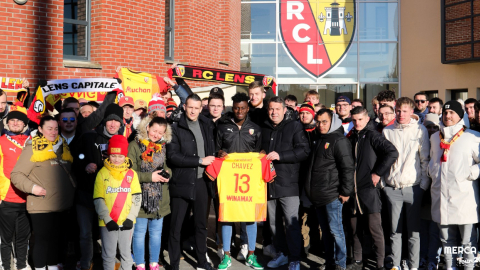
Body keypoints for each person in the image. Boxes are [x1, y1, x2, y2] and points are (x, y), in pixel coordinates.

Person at [11, 115, 75, 270]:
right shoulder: (33, 146)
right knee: (42, 240)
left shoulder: (63, 146)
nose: (53, 132)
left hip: (61, 204)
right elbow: (16, 175)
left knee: (55, 240)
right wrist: (33, 188)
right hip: (41, 204)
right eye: (49, 128)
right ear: (40, 129)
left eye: (55, 128)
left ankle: (52, 267)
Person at [429, 100, 480, 270]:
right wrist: (432, 171)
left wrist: (470, 172)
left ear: (460, 115)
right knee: (446, 240)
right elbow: (431, 160)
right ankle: (450, 267)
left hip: (464, 197)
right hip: (441, 196)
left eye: (452, 113)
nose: (448, 116)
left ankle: (468, 267)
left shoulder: (472, 137)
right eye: (445, 113)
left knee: (467, 241)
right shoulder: (435, 137)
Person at [166, 94, 216, 270]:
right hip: (182, 182)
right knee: (176, 225)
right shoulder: (175, 128)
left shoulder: (206, 125)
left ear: (201, 108)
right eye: (190, 107)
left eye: (197, 108)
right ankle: (173, 264)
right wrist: (199, 161)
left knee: (201, 225)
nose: (193, 111)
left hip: (202, 181)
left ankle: (202, 261)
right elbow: (173, 156)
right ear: (184, 107)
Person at [73, 104, 125, 270]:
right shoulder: (89, 136)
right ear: (104, 121)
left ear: (121, 124)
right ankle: (86, 261)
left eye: (116, 121)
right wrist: (85, 165)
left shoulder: (123, 141)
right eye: (109, 120)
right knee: (85, 233)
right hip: (86, 193)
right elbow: (75, 157)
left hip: (109, 196)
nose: (112, 124)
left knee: (109, 232)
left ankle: (108, 261)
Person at [261, 96, 310, 270]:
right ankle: (282, 253)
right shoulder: (264, 127)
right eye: (271, 109)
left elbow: (304, 151)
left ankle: (295, 258)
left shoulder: (295, 126)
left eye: (277, 109)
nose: (273, 112)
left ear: (284, 110)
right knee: (274, 223)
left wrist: (281, 156)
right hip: (269, 183)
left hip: (289, 184)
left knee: (291, 224)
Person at [215, 92, 263, 270]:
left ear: (248, 108)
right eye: (236, 108)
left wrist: (262, 155)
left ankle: (251, 255)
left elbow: (259, 153)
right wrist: (219, 153)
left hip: (248, 183)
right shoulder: (222, 127)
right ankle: (226, 256)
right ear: (232, 108)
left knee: (250, 217)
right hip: (228, 181)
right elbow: (215, 150)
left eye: (243, 108)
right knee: (226, 217)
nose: (239, 111)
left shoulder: (256, 129)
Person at [346, 106, 398, 270]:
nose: (357, 123)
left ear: (367, 118)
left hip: (369, 190)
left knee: (375, 229)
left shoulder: (372, 135)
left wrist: (377, 173)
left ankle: (380, 264)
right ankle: (357, 260)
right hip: (352, 191)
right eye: (354, 120)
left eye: (360, 119)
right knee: (355, 229)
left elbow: (392, 152)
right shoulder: (351, 137)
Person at [382, 97, 430, 270]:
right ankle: (395, 265)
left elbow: (425, 160)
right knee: (394, 231)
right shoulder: (387, 131)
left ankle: (414, 265)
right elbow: (383, 159)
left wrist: (423, 186)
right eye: (398, 111)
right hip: (392, 187)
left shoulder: (420, 130)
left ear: (411, 112)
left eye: (404, 111)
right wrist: (384, 185)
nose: (401, 114)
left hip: (413, 187)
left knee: (413, 233)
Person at [304, 109, 354, 270]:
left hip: (333, 195)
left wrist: (346, 192)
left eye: (324, 122)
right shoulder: (318, 139)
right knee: (326, 232)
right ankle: (330, 262)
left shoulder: (339, 140)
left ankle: (340, 264)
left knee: (336, 232)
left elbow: (347, 168)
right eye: (318, 122)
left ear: (332, 121)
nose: (320, 125)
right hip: (318, 195)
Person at [128, 116, 171, 270]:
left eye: (161, 132)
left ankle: (154, 263)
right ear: (147, 128)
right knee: (139, 233)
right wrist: (149, 177)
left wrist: (167, 173)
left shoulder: (163, 146)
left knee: (156, 234)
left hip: (159, 198)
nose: (156, 135)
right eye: (154, 131)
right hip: (140, 198)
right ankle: (140, 264)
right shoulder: (134, 145)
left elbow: (168, 166)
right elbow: (129, 173)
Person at [93, 135, 142, 270]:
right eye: (113, 155)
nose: (116, 159)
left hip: (127, 221)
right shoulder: (102, 173)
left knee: (126, 255)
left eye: (120, 156)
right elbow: (98, 199)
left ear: (125, 156)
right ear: (109, 155)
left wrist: (131, 218)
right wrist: (107, 219)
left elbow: (137, 198)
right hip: (107, 222)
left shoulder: (132, 174)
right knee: (108, 255)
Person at [0, 105, 31, 270]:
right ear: (7, 123)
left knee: (23, 238)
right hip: (6, 198)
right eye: (12, 120)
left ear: (25, 123)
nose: (15, 123)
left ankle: (21, 265)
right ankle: (5, 266)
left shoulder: (32, 142)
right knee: (5, 239)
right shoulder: (1, 141)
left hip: (28, 199)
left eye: (19, 120)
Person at [419, 113, 442, 270]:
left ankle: (433, 259)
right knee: (421, 230)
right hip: (421, 190)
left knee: (434, 230)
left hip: (437, 191)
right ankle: (421, 257)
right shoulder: (418, 142)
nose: (432, 130)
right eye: (429, 126)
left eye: (435, 127)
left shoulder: (442, 143)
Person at [298, 102, 320, 257]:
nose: (304, 116)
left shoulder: (319, 131)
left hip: (317, 179)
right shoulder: (296, 130)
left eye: (307, 113)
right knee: (303, 214)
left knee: (318, 215)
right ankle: (304, 245)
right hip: (301, 178)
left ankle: (318, 244)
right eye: (301, 113)